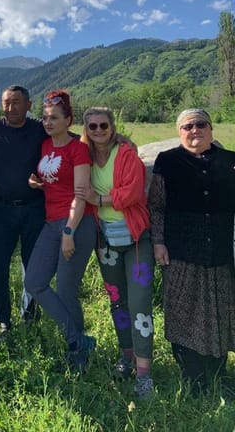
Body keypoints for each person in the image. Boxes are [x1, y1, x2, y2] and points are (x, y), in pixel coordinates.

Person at [148, 108, 235, 394]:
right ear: (179, 131)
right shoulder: (168, 161)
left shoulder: (229, 161)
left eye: (200, 124)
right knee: (183, 312)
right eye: (187, 126)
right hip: (180, 250)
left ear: (211, 129)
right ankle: (193, 376)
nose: (194, 130)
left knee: (220, 313)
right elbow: (157, 206)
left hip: (220, 251)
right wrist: (158, 241)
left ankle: (218, 373)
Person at [76, 107, 154, 399]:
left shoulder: (126, 154)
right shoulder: (83, 155)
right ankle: (127, 357)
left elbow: (133, 192)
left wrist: (99, 198)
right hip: (106, 242)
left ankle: (145, 373)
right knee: (118, 303)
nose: (98, 131)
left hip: (136, 239)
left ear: (112, 126)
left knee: (140, 305)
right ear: (86, 128)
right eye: (92, 126)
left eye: (103, 125)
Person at [24, 90, 97, 372]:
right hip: (50, 222)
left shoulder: (78, 148)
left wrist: (69, 231)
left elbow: (80, 193)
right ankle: (78, 338)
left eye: (54, 118)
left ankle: (76, 348)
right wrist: (37, 182)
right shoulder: (45, 146)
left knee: (66, 290)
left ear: (69, 120)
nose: (48, 122)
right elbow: (54, 179)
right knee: (35, 283)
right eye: (45, 117)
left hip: (77, 224)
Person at [0, 85, 47, 333]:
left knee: (32, 266)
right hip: (2, 211)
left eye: (16, 102)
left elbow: (71, 137)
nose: (10, 108)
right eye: (6, 102)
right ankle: (3, 319)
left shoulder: (40, 128)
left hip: (34, 209)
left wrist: (116, 137)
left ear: (29, 105)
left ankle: (29, 317)